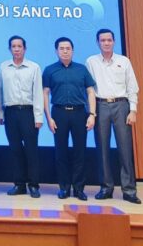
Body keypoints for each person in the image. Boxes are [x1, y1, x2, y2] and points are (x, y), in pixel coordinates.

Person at [86, 29, 141, 204]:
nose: (106, 43)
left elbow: (132, 87)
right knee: (102, 149)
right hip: (101, 105)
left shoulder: (124, 61)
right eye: (103, 40)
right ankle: (106, 188)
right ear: (97, 43)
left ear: (114, 41)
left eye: (109, 40)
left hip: (121, 105)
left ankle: (129, 190)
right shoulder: (91, 61)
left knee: (125, 149)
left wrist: (133, 110)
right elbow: (89, 89)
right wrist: (91, 112)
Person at [43, 37, 96, 201]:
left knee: (80, 152)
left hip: (79, 113)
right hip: (59, 113)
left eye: (68, 48)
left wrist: (92, 114)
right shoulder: (50, 70)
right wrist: (48, 118)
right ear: (56, 51)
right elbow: (45, 94)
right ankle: (64, 188)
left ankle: (79, 189)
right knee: (61, 152)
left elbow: (90, 92)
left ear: (72, 50)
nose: (65, 51)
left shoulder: (82, 69)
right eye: (62, 48)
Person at [0, 35, 43, 198]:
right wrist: (1, 113)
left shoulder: (34, 67)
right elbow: (1, 91)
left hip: (28, 112)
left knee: (31, 150)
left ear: (24, 48)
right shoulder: (3, 67)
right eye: (13, 46)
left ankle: (33, 185)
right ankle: (19, 184)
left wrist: (38, 117)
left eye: (19, 46)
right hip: (10, 112)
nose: (16, 49)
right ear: (9, 49)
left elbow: (38, 93)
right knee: (15, 149)